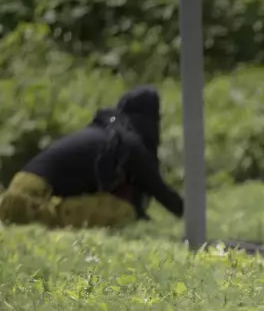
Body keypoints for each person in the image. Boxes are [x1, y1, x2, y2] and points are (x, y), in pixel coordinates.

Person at [0, 85, 184, 229]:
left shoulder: (107, 131)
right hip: (31, 205)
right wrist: (194, 217)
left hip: (13, 197)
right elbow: (159, 190)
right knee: (124, 212)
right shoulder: (127, 142)